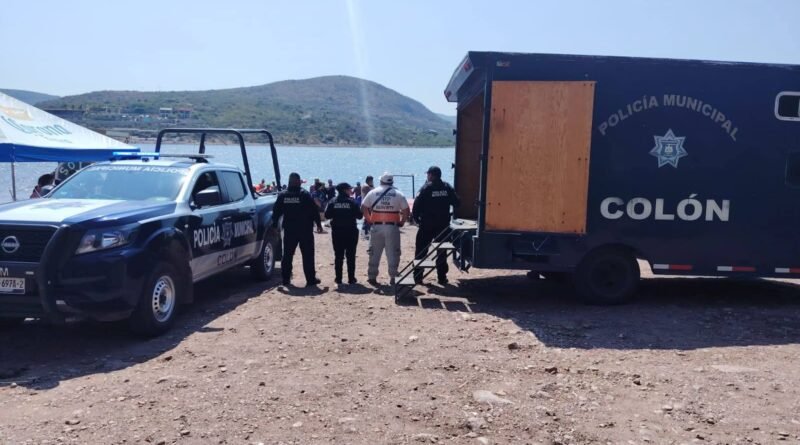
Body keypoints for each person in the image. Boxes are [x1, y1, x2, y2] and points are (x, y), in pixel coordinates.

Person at [270, 172, 322, 287]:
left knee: (287, 255)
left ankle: (285, 279)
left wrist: (274, 226)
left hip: (290, 230)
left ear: (289, 182)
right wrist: (318, 224)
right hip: (305, 230)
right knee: (308, 255)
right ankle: (310, 279)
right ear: (298, 182)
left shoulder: (283, 195)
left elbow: (276, 212)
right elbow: (314, 210)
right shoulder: (304, 194)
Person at [412, 166, 461, 285]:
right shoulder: (447, 187)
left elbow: (416, 206)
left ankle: (418, 277)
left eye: (428, 174)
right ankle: (442, 277)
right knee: (441, 252)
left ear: (431, 175)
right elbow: (457, 203)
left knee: (421, 251)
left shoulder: (426, 188)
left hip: (427, 225)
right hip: (443, 225)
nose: (427, 176)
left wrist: (417, 219)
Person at [361, 172, 410, 286]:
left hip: (376, 226)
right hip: (392, 227)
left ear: (380, 181)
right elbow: (406, 210)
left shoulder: (373, 192)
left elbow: (363, 207)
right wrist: (402, 222)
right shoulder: (398, 194)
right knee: (393, 252)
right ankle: (393, 277)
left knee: (374, 252)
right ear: (392, 182)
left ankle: (372, 277)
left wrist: (369, 219)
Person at [324, 182, 363, 285]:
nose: (351, 191)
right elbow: (359, 216)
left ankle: (338, 278)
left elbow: (327, 215)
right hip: (351, 232)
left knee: (338, 256)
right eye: (349, 189)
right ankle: (351, 278)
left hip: (337, 232)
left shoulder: (333, 201)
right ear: (345, 190)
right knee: (351, 256)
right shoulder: (352, 202)